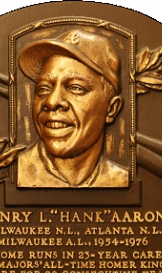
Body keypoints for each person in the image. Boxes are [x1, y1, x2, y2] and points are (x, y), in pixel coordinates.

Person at [17, 29, 129, 188]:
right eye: (43, 89)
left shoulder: (121, 179)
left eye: (75, 88)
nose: (52, 101)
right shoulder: (14, 172)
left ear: (111, 109)